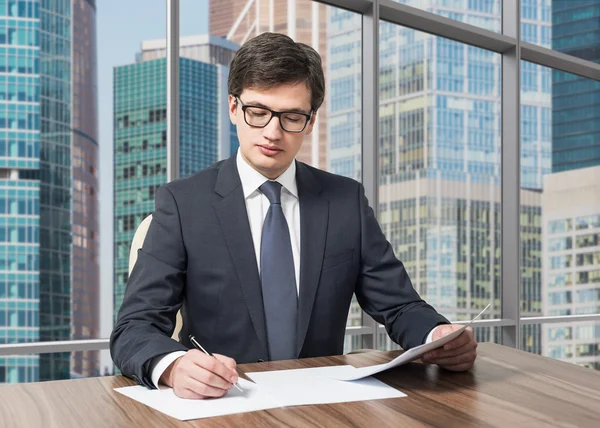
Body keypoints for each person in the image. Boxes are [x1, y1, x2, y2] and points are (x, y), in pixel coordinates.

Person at [110, 32, 478, 400]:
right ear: (233, 108)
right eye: (258, 112)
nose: (273, 132)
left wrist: (438, 337)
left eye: (291, 117)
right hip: (222, 404)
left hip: (324, 406)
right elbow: (134, 328)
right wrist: (174, 367)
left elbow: (400, 305)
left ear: (311, 120)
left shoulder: (345, 200)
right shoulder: (182, 202)